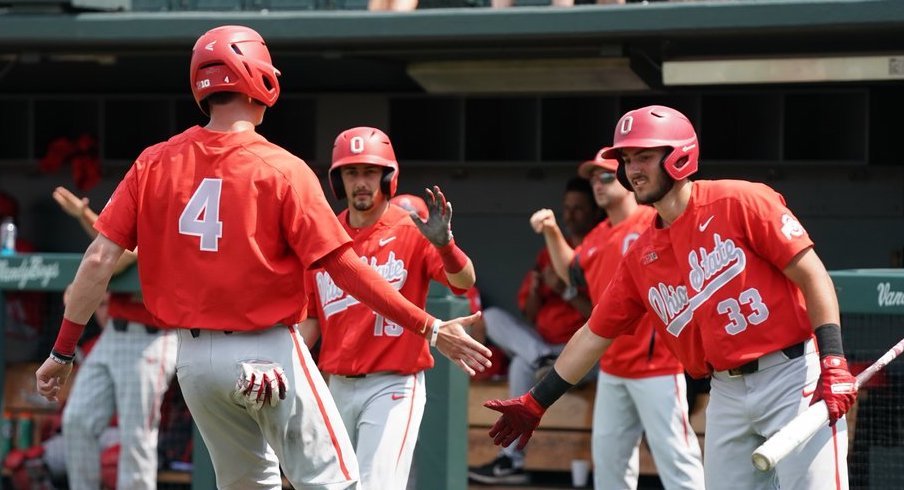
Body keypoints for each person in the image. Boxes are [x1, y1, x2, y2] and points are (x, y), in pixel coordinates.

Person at [34, 25, 491, 490]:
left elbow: (96, 261)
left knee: (247, 486)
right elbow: (346, 268)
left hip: (193, 361)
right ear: (260, 76)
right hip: (266, 351)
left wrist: (62, 350)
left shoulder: (153, 161)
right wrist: (430, 327)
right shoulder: (283, 167)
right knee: (338, 484)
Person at [484, 105, 858, 490]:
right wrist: (536, 401)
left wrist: (833, 360)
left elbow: (813, 276)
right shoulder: (641, 255)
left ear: (680, 155)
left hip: (791, 375)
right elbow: (593, 335)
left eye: (644, 156)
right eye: (627, 160)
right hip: (725, 392)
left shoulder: (740, 200)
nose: (633, 170)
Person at [300, 127, 476, 490]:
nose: (361, 182)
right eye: (351, 172)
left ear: (387, 177)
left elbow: (463, 282)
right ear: (339, 180)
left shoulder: (409, 228)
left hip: (393, 384)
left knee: (376, 485)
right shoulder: (325, 238)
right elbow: (312, 321)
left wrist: (446, 246)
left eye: (369, 171)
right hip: (336, 386)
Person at [528, 150, 704, 489]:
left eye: (606, 175)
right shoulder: (597, 236)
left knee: (678, 463)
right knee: (609, 468)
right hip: (611, 366)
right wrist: (552, 231)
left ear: (625, 179)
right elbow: (574, 275)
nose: (597, 183)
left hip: (657, 367)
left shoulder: (652, 220)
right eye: (592, 178)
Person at [468, 177, 598, 485]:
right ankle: (512, 461)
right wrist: (541, 289)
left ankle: (512, 457)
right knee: (494, 318)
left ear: (594, 212)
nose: (571, 215)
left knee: (519, 364)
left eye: (579, 209)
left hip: (585, 355)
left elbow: (602, 318)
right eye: (567, 209)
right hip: (545, 350)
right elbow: (527, 314)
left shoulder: (598, 249)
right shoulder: (550, 253)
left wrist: (566, 291)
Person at [52, 185, 178, 490]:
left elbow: (123, 255)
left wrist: (80, 285)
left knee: (136, 437)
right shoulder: (140, 214)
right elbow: (111, 243)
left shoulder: (177, 219)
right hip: (114, 333)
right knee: (77, 421)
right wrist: (84, 214)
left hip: (152, 337)